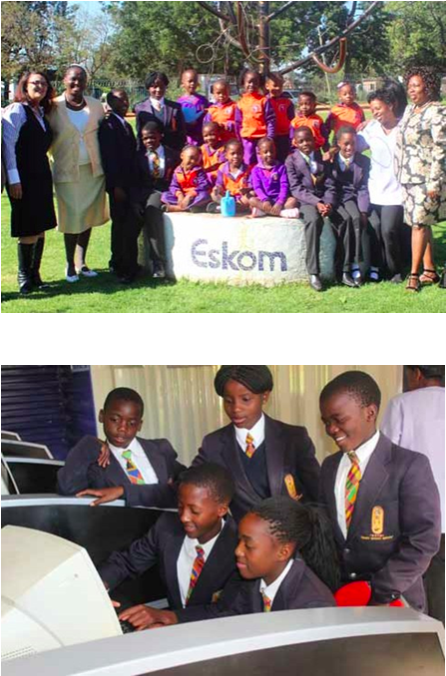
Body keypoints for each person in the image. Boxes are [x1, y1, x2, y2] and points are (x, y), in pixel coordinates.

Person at [319, 370, 441, 612]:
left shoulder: (409, 466)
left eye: (338, 419)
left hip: (395, 601)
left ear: (370, 412)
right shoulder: (329, 466)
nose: (331, 429)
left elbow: (423, 541)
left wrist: (379, 593)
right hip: (343, 601)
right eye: (326, 422)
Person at [138, 496, 337, 628]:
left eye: (248, 546)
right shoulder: (251, 580)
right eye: (239, 541)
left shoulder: (312, 607)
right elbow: (225, 613)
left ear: (283, 551)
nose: (237, 551)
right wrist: (170, 618)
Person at [98, 464, 238, 631]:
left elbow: (230, 610)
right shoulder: (167, 527)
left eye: (194, 510)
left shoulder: (240, 547)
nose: (184, 517)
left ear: (221, 510)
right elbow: (127, 562)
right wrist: (98, 586)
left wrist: (170, 618)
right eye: (180, 506)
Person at [191, 366, 321, 523]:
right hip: (242, 542)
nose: (235, 408)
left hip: (289, 539)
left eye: (245, 399)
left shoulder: (294, 438)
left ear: (265, 397)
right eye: (228, 401)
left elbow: (317, 496)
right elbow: (191, 482)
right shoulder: (213, 444)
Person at [381, 365, 445, 624]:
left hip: (414, 517)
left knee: (414, 590)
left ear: (416, 374)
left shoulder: (402, 404)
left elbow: (386, 458)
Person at [57, 387, 185, 508]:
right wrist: (89, 442)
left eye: (132, 423)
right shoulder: (95, 460)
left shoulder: (160, 449)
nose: (122, 428)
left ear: (139, 425)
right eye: (114, 420)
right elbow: (67, 487)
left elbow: (188, 485)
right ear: (102, 416)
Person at [48, 64, 108, 283]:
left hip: (93, 171)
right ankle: (69, 265)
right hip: (66, 171)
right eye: (73, 79)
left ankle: (82, 263)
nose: (77, 83)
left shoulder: (96, 106)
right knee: (72, 217)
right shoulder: (52, 107)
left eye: (81, 79)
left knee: (88, 216)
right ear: (64, 80)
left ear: (86, 82)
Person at [2, 71, 57, 294]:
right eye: (36, 83)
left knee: (41, 225)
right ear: (25, 87)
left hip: (41, 174)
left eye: (44, 84)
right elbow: (8, 147)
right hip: (22, 176)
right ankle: (24, 276)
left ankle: (35, 274)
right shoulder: (17, 111)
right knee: (28, 225)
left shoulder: (41, 112)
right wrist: (14, 179)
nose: (41, 87)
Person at [395, 66, 446, 292]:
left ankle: (413, 276)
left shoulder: (436, 112)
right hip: (407, 177)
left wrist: (435, 182)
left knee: (418, 224)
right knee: (421, 223)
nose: (411, 90)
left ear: (429, 87)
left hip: (426, 180)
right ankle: (430, 270)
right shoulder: (410, 110)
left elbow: (441, 149)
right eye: (409, 86)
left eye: (416, 86)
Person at [357, 81, 408, 284]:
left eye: (378, 108)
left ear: (392, 105)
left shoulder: (404, 127)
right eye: (371, 110)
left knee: (388, 230)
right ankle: (378, 267)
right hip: (374, 189)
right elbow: (354, 145)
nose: (375, 113)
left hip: (396, 192)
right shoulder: (372, 129)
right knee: (375, 228)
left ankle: (396, 270)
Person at [286, 127, 337, 292]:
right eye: (301, 141)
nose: (305, 144)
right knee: (314, 221)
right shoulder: (291, 161)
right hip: (306, 201)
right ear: (295, 143)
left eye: (308, 140)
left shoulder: (322, 159)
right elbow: (296, 189)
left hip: (324, 200)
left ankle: (343, 267)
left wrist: (328, 202)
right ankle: (314, 272)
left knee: (344, 219)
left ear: (314, 140)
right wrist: (317, 203)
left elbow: (330, 184)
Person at [98, 89, 139, 284]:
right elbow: (109, 159)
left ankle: (124, 261)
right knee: (120, 225)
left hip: (130, 184)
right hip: (118, 186)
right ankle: (119, 264)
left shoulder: (125, 125)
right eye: (119, 99)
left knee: (126, 224)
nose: (124, 102)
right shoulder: (108, 126)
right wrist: (115, 186)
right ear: (111, 102)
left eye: (126, 98)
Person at [133, 121, 180, 279]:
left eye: (152, 137)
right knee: (142, 213)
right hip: (144, 193)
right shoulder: (138, 156)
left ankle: (158, 263)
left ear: (161, 136)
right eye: (145, 138)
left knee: (152, 211)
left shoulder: (172, 155)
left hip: (166, 192)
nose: (149, 141)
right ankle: (138, 263)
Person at [329, 126, 371, 287]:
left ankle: (356, 265)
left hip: (353, 199)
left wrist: (363, 210)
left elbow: (362, 188)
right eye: (346, 144)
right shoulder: (331, 160)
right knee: (350, 219)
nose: (349, 147)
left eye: (353, 143)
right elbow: (329, 186)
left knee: (358, 218)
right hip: (336, 199)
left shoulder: (363, 161)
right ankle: (348, 266)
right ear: (338, 143)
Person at [134, 71, 186, 152]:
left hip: (170, 154)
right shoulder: (140, 109)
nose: (158, 90)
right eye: (154, 87)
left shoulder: (175, 108)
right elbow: (139, 136)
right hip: (149, 154)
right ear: (148, 88)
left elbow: (181, 134)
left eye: (162, 86)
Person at [249, 137, 298, 218]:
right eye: (265, 152)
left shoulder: (281, 167)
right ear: (259, 153)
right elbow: (257, 188)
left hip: (279, 199)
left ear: (275, 151)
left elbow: (284, 185)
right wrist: (265, 200)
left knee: (293, 201)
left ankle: (266, 211)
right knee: (252, 201)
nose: (269, 154)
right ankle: (279, 213)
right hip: (265, 200)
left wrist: (280, 202)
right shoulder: (256, 170)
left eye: (271, 151)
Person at [235, 69, 275, 166]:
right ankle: (250, 181)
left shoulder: (264, 101)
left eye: (255, 82)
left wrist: (269, 137)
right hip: (247, 140)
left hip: (262, 139)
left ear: (260, 83)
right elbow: (238, 124)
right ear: (243, 83)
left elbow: (270, 120)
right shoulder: (240, 103)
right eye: (249, 82)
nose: (252, 85)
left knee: (263, 162)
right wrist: (240, 140)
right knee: (248, 163)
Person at [161, 145, 211, 213]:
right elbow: (173, 186)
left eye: (196, 160)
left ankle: (179, 208)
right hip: (183, 196)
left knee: (204, 195)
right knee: (165, 195)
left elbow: (204, 185)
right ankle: (188, 208)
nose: (193, 161)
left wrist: (190, 195)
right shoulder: (177, 171)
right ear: (182, 156)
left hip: (194, 196)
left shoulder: (199, 171)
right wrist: (179, 195)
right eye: (191, 158)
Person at [209, 139, 252, 214]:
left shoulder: (248, 169)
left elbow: (251, 185)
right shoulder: (222, 168)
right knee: (213, 194)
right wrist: (217, 188)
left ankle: (225, 207)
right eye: (232, 154)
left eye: (239, 153)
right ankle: (232, 207)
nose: (236, 156)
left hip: (241, 198)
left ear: (243, 154)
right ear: (226, 155)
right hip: (228, 197)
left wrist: (246, 189)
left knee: (251, 195)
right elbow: (219, 184)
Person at [264, 73, 294, 163]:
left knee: (284, 160)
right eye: (275, 85)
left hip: (284, 137)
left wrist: (292, 137)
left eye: (280, 86)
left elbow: (292, 120)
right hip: (269, 137)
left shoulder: (287, 102)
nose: (278, 88)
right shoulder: (264, 101)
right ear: (267, 86)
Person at [177, 68, 209, 147]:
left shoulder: (203, 100)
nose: (192, 84)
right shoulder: (179, 102)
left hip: (201, 137)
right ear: (183, 83)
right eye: (190, 81)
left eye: (195, 81)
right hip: (188, 138)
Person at [204, 80, 238, 145]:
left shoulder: (235, 106)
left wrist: (230, 125)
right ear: (213, 93)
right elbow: (206, 125)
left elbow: (240, 123)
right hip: (216, 142)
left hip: (231, 141)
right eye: (218, 93)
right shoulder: (211, 110)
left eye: (224, 93)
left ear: (229, 92)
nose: (221, 95)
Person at [200, 121, 226, 186]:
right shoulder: (202, 149)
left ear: (219, 133)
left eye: (212, 134)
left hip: (218, 176)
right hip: (204, 176)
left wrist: (205, 172)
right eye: (206, 136)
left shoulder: (223, 148)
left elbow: (220, 165)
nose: (209, 138)